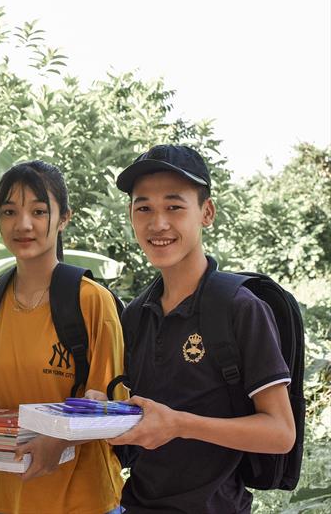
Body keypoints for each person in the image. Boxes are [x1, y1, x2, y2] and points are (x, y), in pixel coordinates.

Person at [110, 145, 296, 513]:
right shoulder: (134, 315)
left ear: (206, 212)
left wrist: (179, 425)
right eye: (143, 207)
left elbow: (280, 433)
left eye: (174, 207)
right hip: (135, 505)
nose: (157, 223)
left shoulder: (240, 308)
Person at [0, 161, 125, 514]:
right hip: (10, 500)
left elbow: (112, 407)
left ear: (63, 219)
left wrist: (58, 438)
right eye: (10, 211)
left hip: (86, 501)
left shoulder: (91, 301)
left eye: (39, 211)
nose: (23, 224)